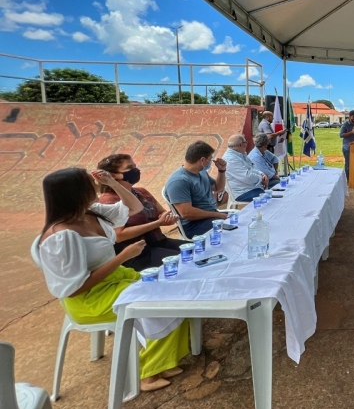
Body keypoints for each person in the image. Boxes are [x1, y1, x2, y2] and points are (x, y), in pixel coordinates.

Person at [33, 167, 190, 392]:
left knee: (171, 286)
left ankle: (164, 361)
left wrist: (114, 184)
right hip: (90, 299)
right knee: (158, 299)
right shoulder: (62, 236)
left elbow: (133, 207)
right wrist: (123, 257)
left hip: (114, 280)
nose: (95, 187)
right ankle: (149, 373)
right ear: (75, 193)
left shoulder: (90, 212)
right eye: (90, 184)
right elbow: (74, 289)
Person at [96, 154, 185, 271]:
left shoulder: (140, 192)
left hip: (158, 242)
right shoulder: (108, 201)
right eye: (129, 168)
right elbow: (119, 235)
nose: (135, 170)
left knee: (198, 251)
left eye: (135, 166)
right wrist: (158, 223)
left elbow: (162, 212)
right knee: (186, 261)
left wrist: (166, 217)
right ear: (113, 176)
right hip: (140, 255)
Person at [164, 140, 230, 237]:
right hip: (193, 225)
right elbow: (186, 213)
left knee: (242, 218)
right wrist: (217, 215)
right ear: (202, 160)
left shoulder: (201, 172)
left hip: (211, 216)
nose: (211, 162)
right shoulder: (179, 181)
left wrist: (221, 170)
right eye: (210, 159)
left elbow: (218, 188)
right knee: (232, 229)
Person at [221, 133, 267, 202]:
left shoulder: (240, 154)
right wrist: (261, 179)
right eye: (246, 142)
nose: (247, 144)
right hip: (242, 192)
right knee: (266, 199)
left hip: (251, 188)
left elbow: (253, 167)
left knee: (272, 196)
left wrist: (262, 174)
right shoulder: (230, 159)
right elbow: (247, 177)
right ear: (241, 145)